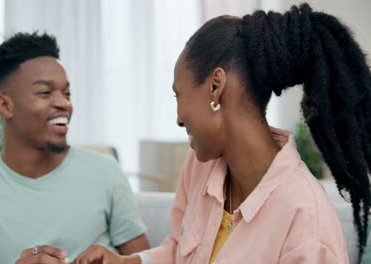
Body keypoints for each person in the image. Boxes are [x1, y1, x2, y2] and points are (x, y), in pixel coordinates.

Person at [73, 3, 371, 264]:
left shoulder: (306, 222)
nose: (178, 117)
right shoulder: (199, 165)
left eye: (178, 94)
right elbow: (179, 250)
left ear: (216, 86)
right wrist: (129, 262)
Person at [0, 32, 149, 264]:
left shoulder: (106, 173)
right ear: (5, 105)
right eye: (45, 92)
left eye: (67, 93)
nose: (64, 103)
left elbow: (145, 259)